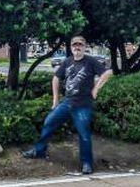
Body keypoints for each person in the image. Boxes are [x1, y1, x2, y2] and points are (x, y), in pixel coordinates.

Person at [22, 35, 112, 174]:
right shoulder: (67, 61)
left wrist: (95, 89)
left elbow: (107, 72)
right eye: (75, 45)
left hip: (83, 105)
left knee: (84, 134)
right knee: (49, 122)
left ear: (84, 46)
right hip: (67, 102)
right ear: (71, 47)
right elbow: (56, 78)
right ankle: (39, 151)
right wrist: (55, 100)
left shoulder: (90, 61)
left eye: (80, 45)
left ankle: (87, 163)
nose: (77, 47)